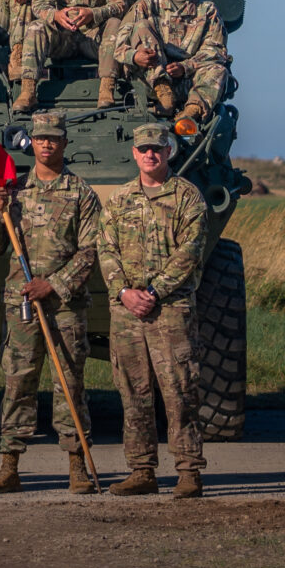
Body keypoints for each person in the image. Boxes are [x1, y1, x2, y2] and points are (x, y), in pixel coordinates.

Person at [0, 113, 102, 494]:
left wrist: (54, 284)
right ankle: (9, 465)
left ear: (65, 143)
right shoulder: (14, 191)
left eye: (54, 138)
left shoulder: (81, 194)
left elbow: (90, 251)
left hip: (65, 305)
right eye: (41, 138)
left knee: (69, 383)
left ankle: (77, 465)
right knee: (17, 383)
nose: (47, 144)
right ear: (31, 143)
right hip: (22, 304)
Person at [95, 123, 209, 497]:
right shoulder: (119, 199)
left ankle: (188, 472)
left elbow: (191, 251)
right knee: (133, 392)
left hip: (170, 309)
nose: (150, 154)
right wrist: (124, 291)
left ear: (168, 152)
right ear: (134, 153)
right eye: (144, 149)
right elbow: (105, 249)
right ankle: (141, 470)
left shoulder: (188, 197)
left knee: (180, 391)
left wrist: (155, 291)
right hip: (127, 311)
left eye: (157, 148)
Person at [118, 0, 229, 126]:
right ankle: (163, 91)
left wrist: (185, 67)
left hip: (187, 81)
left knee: (218, 71)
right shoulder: (148, 2)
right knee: (142, 26)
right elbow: (120, 42)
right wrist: (135, 56)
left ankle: (191, 112)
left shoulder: (207, 9)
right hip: (149, 82)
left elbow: (216, 50)